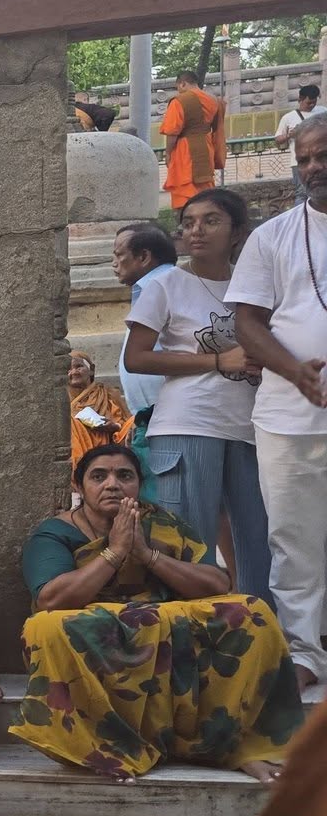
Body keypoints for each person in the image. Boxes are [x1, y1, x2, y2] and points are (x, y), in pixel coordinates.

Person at [13, 443, 302, 782]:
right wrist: (115, 552)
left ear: (139, 484)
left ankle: (238, 745)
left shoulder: (162, 524)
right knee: (46, 628)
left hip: (166, 621)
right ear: (78, 485)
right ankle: (107, 749)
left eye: (124, 476)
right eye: (99, 476)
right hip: (97, 629)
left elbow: (217, 584)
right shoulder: (56, 533)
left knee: (252, 611)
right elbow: (52, 598)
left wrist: (147, 554)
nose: (112, 484)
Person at [122, 187, 270, 602]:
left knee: (260, 543)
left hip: (252, 426)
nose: (196, 231)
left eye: (210, 221)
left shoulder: (256, 285)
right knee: (190, 546)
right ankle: (192, 635)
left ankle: (259, 630)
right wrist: (217, 361)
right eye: (188, 223)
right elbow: (136, 357)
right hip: (189, 422)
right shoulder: (167, 285)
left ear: (237, 232)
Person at [230, 117, 327, 692]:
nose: (313, 168)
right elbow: (247, 321)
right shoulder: (273, 237)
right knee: (293, 536)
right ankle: (304, 650)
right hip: (290, 417)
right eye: (305, 159)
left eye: (323, 156)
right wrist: (296, 373)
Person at [113, 223, 179, 425]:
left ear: (143, 257)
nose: (114, 264)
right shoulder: (148, 287)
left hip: (175, 416)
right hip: (153, 417)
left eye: (119, 255)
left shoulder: (167, 285)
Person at [160, 69, 227, 210]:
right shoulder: (213, 100)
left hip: (185, 149)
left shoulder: (180, 101)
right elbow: (217, 128)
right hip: (206, 147)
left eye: (178, 87)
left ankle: (187, 217)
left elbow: (172, 131)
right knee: (205, 189)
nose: (179, 91)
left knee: (186, 188)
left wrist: (168, 153)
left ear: (183, 83)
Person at [66, 352, 131, 468]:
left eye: (79, 367)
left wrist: (115, 427)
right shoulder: (61, 400)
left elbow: (124, 425)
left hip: (110, 447)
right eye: (69, 369)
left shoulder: (109, 394)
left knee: (135, 421)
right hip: (78, 450)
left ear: (91, 370)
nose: (74, 372)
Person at [275, 84, 320, 206]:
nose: (312, 105)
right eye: (309, 103)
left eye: (314, 102)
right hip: (300, 162)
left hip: (322, 159)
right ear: (300, 99)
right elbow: (278, 139)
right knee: (302, 193)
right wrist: (290, 135)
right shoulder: (288, 117)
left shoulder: (323, 112)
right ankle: (301, 217)